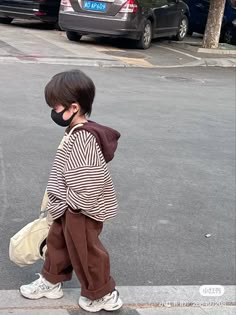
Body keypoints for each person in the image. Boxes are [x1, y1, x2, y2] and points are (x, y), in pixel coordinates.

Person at [19, 69, 123, 312]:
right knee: (58, 243)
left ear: (73, 107)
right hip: (67, 205)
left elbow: (88, 180)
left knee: (86, 251)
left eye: (56, 107)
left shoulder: (84, 137)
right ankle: (51, 281)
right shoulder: (76, 131)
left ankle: (103, 294)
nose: (53, 112)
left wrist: (73, 206)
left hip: (79, 209)